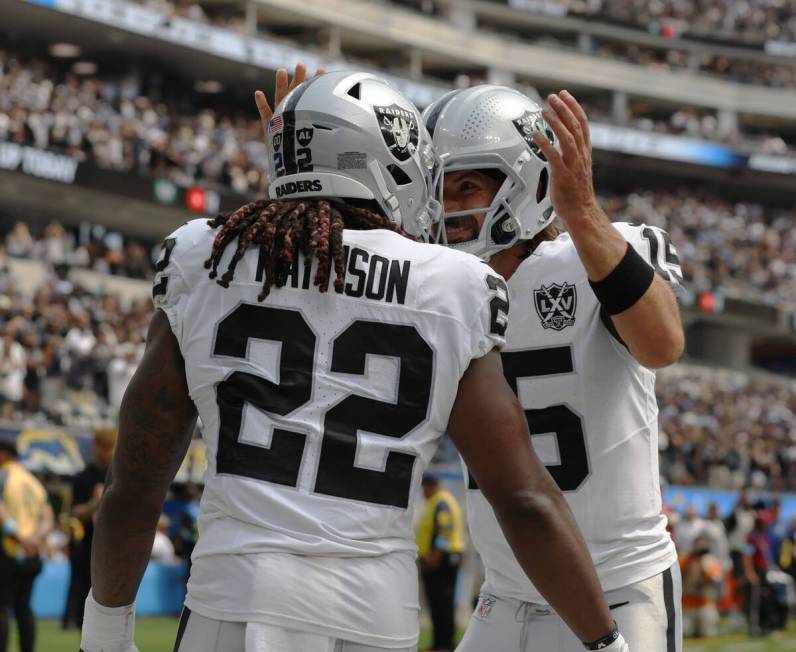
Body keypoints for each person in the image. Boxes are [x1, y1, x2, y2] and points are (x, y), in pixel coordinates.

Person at [81, 70, 629, 652]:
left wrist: (105, 632)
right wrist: (606, 643)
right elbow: (523, 499)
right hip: (372, 614)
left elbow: (137, 481)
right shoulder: (453, 287)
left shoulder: (205, 256)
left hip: (232, 601)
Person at [423, 85, 685, 651]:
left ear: (528, 181)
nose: (449, 207)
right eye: (436, 189)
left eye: (467, 184)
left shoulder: (596, 255)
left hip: (616, 588)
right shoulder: (441, 288)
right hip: (502, 596)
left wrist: (583, 212)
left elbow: (662, 344)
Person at [0, 438, 53, 652]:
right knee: (24, 608)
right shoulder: (33, 481)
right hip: (32, 554)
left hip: (8, 550)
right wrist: (35, 540)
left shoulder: (4, 476)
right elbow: (48, 516)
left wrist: (20, 539)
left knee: (2, 608)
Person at [64, 428, 116, 629]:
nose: (106, 453)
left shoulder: (119, 474)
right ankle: (75, 623)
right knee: (82, 589)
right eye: (103, 448)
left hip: (112, 545)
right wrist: (95, 504)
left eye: (109, 448)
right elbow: (75, 512)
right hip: (87, 544)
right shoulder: (84, 476)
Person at [416, 473, 465, 651]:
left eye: (424, 489)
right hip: (443, 559)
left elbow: (445, 530)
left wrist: (434, 557)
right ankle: (440, 644)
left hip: (442, 560)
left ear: (430, 486)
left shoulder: (440, 502)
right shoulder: (441, 500)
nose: (423, 493)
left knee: (442, 604)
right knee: (439, 605)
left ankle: (444, 646)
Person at [680, 535, 723, 638]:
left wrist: (706, 570)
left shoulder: (710, 560)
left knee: (707, 632)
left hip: (705, 603)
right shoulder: (686, 559)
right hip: (688, 603)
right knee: (686, 632)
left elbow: (717, 578)